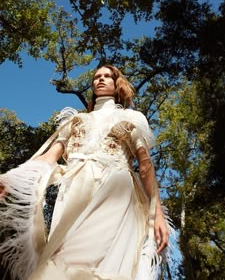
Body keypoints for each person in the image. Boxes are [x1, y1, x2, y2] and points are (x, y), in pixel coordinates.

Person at [0, 65, 172, 280]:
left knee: (90, 261)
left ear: (117, 82)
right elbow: (48, 157)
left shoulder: (133, 118)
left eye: (107, 76)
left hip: (114, 189)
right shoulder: (75, 120)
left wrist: (157, 216)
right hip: (73, 190)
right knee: (61, 258)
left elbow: (145, 165)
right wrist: (11, 178)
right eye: (96, 77)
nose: (100, 80)